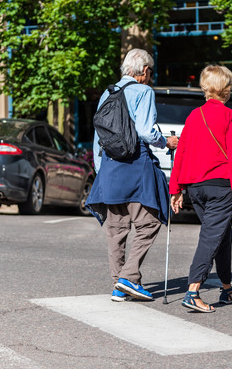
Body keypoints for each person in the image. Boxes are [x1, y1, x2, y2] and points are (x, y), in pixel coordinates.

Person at [86, 48, 178, 302]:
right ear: (145, 71)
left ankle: (119, 285)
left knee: (116, 229)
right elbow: (147, 131)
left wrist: (100, 169)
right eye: (150, 72)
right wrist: (167, 143)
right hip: (136, 166)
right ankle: (128, 277)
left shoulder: (109, 92)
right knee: (149, 222)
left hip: (110, 167)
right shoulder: (144, 91)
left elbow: (98, 137)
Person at [170, 65, 232, 313]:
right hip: (221, 188)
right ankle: (193, 291)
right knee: (211, 237)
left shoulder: (194, 115)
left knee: (222, 235)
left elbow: (181, 153)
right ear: (225, 90)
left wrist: (176, 189)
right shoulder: (230, 116)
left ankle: (226, 288)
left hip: (196, 189)